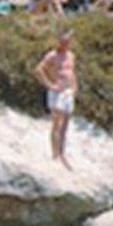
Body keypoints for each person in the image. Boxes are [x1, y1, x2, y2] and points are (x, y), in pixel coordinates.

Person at [34, 31, 77, 168]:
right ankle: (55, 153)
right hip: (57, 90)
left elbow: (72, 72)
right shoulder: (52, 56)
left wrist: (75, 86)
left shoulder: (70, 55)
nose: (65, 44)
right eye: (63, 41)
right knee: (56, 123)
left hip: (68, 91)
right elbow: (38, 70)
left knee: (65, 124)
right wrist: (49, 85)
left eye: (67, 42)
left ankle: (62, 153)